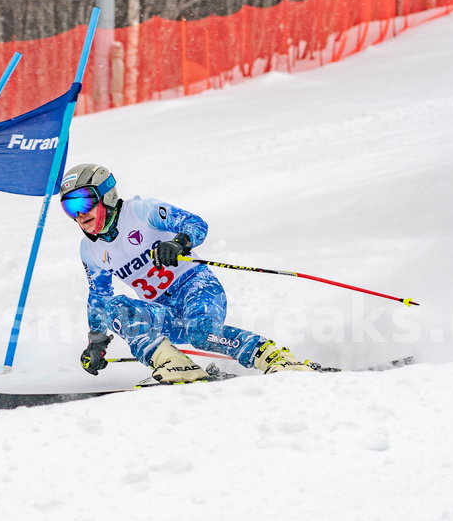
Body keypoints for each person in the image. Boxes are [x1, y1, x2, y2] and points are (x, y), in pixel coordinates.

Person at [59, 162, 314, 384]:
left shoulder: (141, 211)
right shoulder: (90, 250)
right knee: (116, 307)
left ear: (107, 196)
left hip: (196, 286)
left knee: (200, 333)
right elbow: (99, 297)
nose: (79, 215)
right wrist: (96, 343)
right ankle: (175, 365)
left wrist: (179, 242)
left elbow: (195, 223)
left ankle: (276, 357)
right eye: (70, 208)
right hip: (162, 309)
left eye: (83, 202)